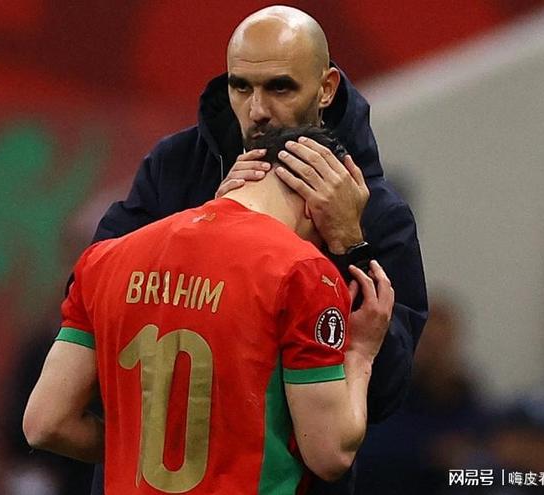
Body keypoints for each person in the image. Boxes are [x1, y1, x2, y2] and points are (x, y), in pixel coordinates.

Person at [90, 5, 427, 492]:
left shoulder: (375, 212)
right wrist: (209, 226)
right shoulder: (174, 167)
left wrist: (349, 244)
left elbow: (385, 395)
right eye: (241, 87)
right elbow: (91, 307)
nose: (257, 110)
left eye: (280, 88)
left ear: (326, 88)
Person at [23, 126, 395, 494]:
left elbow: (45, 423)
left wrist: (140, 448)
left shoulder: (104, 260)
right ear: (320, 201)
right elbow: (330, 454)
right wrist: (360, 354)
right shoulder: (303, 272)